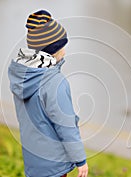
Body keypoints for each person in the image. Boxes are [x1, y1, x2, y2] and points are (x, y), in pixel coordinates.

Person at [8, 9, 88, 177]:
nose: (65, 50)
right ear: (54, 49)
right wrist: (80, 159)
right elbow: (65, 125)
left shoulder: (23, 76)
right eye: (63, 45)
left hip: (33, 162)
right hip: (54, 165)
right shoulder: (55, 82)